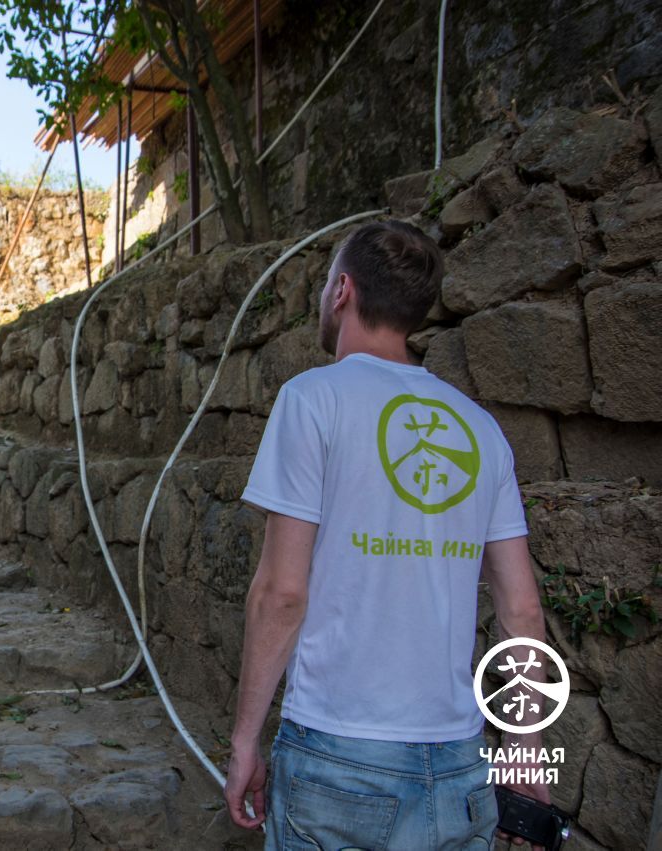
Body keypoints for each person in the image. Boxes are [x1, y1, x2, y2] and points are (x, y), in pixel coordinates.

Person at [223, 221, 550, 848]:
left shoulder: (312, 400)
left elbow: (282, 594)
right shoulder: (481, 430)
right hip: (460, 765)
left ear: (342, 291)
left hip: (337, 758)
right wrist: (525, 750)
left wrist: (244, 741)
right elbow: (522, 608)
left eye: (325, 284)